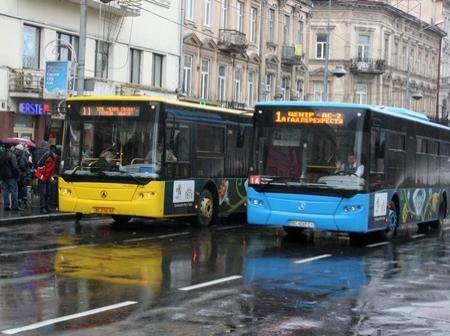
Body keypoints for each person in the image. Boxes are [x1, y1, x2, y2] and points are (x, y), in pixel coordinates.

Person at [35, 141, 56, 214]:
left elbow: (38, 164)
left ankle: (44, 207)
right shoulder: (48, 154)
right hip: (45, 175)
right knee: (46, 192)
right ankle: (44, 207)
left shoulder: (41, 153)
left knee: (44, 192)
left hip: (43, 175)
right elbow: (42, 164)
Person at [0, 145, 22, 211]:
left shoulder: (3, 155)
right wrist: (18, 175)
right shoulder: (12, 155)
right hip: (11, 177)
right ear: (11, 148)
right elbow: (15, 167)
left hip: (3, 176)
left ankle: (6, 206)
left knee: (5, 191)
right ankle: (14, 206)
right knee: (14, 191)